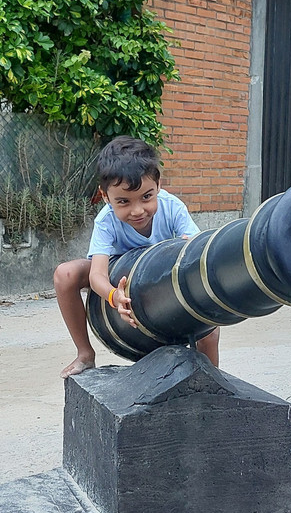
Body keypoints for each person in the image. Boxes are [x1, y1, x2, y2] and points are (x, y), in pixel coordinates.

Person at [53, 136, 220, 378]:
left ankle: (211, 383)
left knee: (211, 331)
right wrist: (113, 295)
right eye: (123, 201)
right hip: (119, 272)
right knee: (64, 274)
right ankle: (85, 353)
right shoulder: (106, 220)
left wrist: (193, 249)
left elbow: (196, 247)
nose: (138, 210)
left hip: (159, 276)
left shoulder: (171, 207)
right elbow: (97, 274)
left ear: (158, 185)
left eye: (146, 197)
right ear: (106, 196)